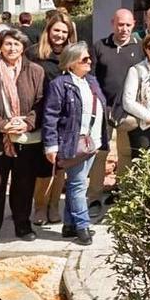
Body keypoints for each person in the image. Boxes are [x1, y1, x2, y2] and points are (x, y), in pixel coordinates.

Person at [0, 28, 46, 247]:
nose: (12, 48)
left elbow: (41, 102)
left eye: (16, 44)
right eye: (7, 44)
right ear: (0, 46)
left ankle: (22, 224)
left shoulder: (35, 71)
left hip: (26, 139)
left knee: (24, 184)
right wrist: (4, 125)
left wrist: (26, 123)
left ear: (23, 47)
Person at [42, 42, 107, 246]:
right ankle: (82, 225)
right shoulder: (59, 85)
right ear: (71, 63)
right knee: (78, 184)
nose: (89, 62)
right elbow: (50, 116)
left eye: (89, 59)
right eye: (84, 59)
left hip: (92, 141)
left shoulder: (91, 81)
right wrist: (51, 145)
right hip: (73, 143)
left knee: (74, 184)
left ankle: (69, 225)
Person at [28, 14, 77, 226]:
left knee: (61, 165)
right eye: (56, 30)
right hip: (41, 116)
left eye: (64, 32)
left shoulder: (73, 56)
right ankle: (39, 206)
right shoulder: (33, 54)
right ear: (48, 31)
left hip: (66, 118)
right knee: (42, 166)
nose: (60, 35)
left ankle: (54, 206)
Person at [90, 9, 142, 208]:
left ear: (134, 24)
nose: (124, 29)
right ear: (113, 23)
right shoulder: (100, 46)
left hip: (129, 110)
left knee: (125, 153)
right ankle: (94, 196)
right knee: (100, 152)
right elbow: (93, 78)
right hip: (105, 108)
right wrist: (102, 104)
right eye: (121, 24)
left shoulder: (139, 47)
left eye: (128, 25)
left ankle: (123, 192)